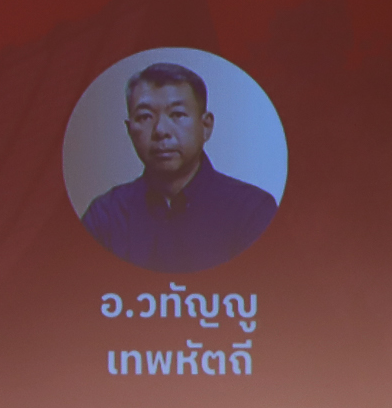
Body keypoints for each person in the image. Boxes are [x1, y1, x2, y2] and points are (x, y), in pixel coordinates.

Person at [80, 61, 277, 274]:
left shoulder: (252, 211)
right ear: (130, 130)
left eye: (177, 115)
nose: (161, 130)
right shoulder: (106, 215)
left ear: (206, 126)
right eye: (145, 117)